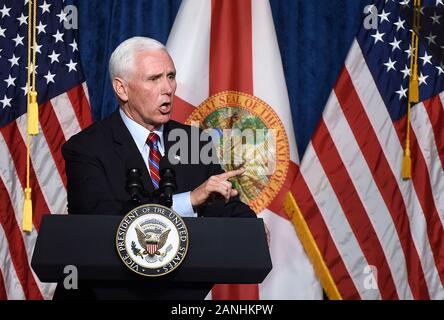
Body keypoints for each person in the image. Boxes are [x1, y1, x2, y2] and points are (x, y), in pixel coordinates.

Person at [62, 36, 256, 219]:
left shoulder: (194, 141)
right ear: (122, 89)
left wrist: (252, 229)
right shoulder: (86, 148)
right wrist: (190, 200)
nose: (168, 89)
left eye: (170, 76)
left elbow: (224, 206)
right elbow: (98, 221)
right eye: (154, 79)